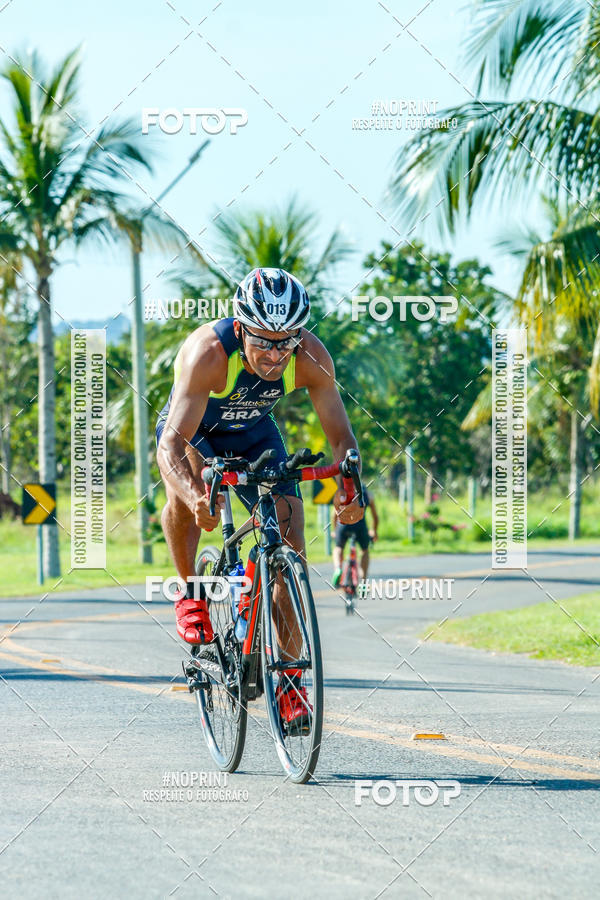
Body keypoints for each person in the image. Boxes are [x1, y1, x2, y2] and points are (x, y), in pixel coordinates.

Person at [155, 267, 364, 728]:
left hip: (254, 433)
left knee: (290, 543)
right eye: (264, 341)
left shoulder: (309, 355)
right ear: (242, 327)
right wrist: (194, 495)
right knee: (193, 501)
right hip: (195, 433)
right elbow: (169, 446)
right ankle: (191, 592)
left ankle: (290, 685)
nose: (275, 353)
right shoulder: (208, 353)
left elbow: (343, 440)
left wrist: (350, 486)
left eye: (285, 340)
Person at [331, 489, 378, 587]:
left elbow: (334, 515)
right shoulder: (367, 493)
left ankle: (338, 568)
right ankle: (364, 581)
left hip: (343, 525)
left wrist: (335, 531)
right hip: (360, 526)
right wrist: (374, 531)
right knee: (364, 550)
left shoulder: (342, 492)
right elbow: (375, 517)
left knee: (338, 548)